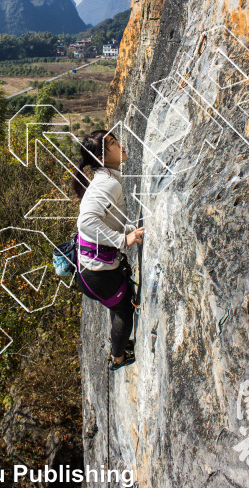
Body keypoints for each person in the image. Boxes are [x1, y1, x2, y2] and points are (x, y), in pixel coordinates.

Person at [72, 130, 145, 370]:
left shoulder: (108, 179)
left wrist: (126, 230)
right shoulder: (108, 182)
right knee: (124, 310)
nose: (121, 146)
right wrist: (123, 239)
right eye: (113, 144)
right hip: (97, 273)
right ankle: (118, 358)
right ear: (101, 158)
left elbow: (106, 216)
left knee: (118, 304)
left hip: (92, 269)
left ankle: (118, 346)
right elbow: (86, 223)